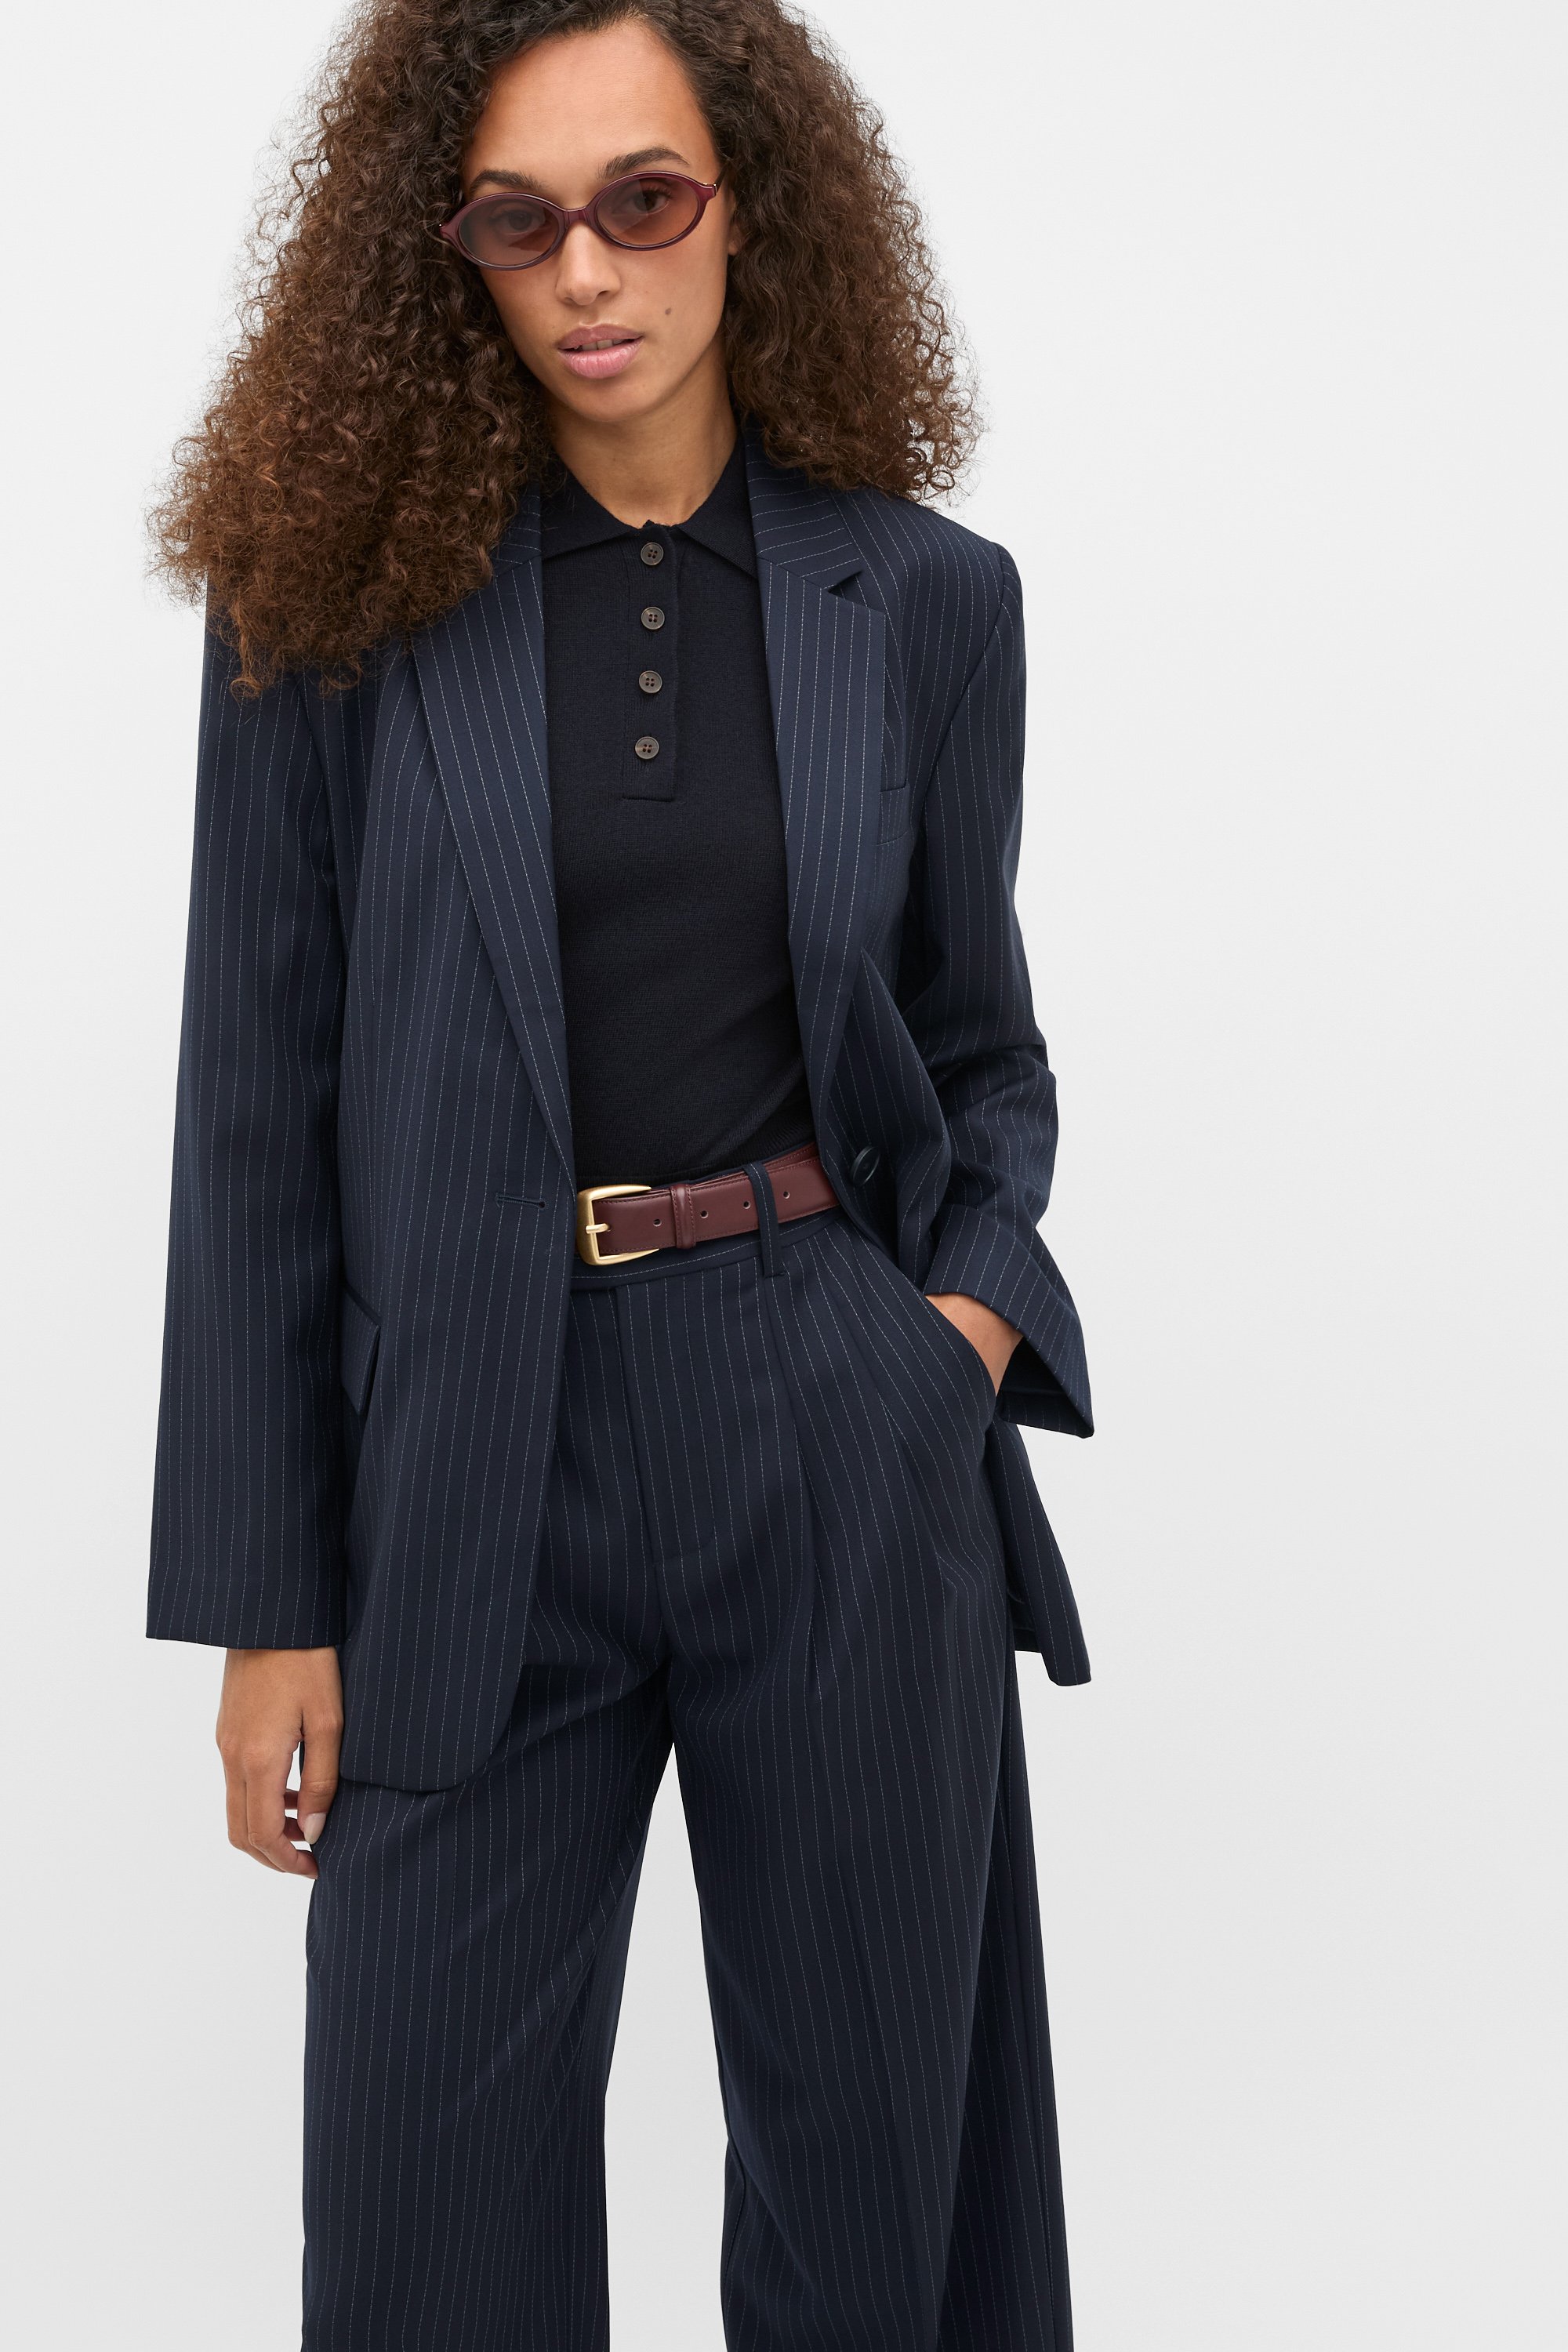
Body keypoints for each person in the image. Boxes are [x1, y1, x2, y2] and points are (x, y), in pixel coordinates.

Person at [147, 2, 1094, 2343]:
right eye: (518, 221)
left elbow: (982, 1051)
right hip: (473, 1452)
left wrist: (946, 1345)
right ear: (445, 254)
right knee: (424, 2221)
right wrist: (270, 1601)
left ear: (751, 207)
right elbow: (253, 1106)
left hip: (833, 1414)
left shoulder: (926, 601)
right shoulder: (332, 612)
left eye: (644, 201)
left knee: (876, 2207)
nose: (587, 271)